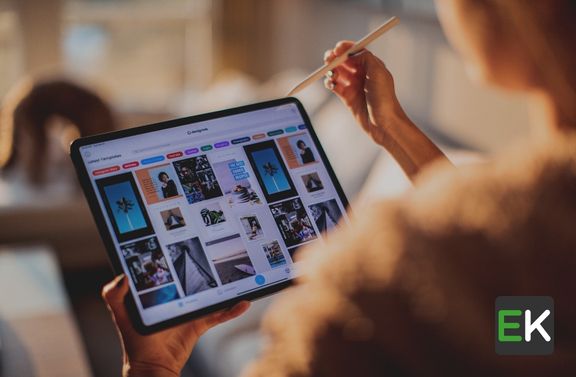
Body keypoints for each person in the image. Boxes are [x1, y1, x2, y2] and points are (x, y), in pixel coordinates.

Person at [103, 1, 576, 376]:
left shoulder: (387, 274)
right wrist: (391, 129)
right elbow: (528, 324)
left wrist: (153, 367)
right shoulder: (529, 269)